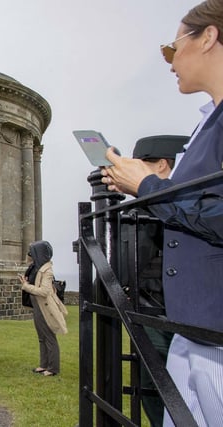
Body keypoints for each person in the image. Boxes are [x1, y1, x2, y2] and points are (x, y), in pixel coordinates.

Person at [102, 3, 223, 424]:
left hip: (214, 332)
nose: (169, 62)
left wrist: (148, 186)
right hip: (195, 329)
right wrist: (136, 188)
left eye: (172, 48)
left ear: (207, 38)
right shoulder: (208, 123)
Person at [127, 135, 188, 427]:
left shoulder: (180, 203)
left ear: (162, 165)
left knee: (168, 389)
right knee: (153, 387)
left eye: (141, 166)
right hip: (150, 308)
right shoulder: (144, 207)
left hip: (163, 310)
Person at [18, 241, 67, 377]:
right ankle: (44, 365)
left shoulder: (47, 270)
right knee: (41, 336)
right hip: (37, 305)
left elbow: (45, 291)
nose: (30, 255)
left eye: (33, 252)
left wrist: (26, 286)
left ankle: (53, 368)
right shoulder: (36, 267)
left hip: (45, 306)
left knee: (49, 336)